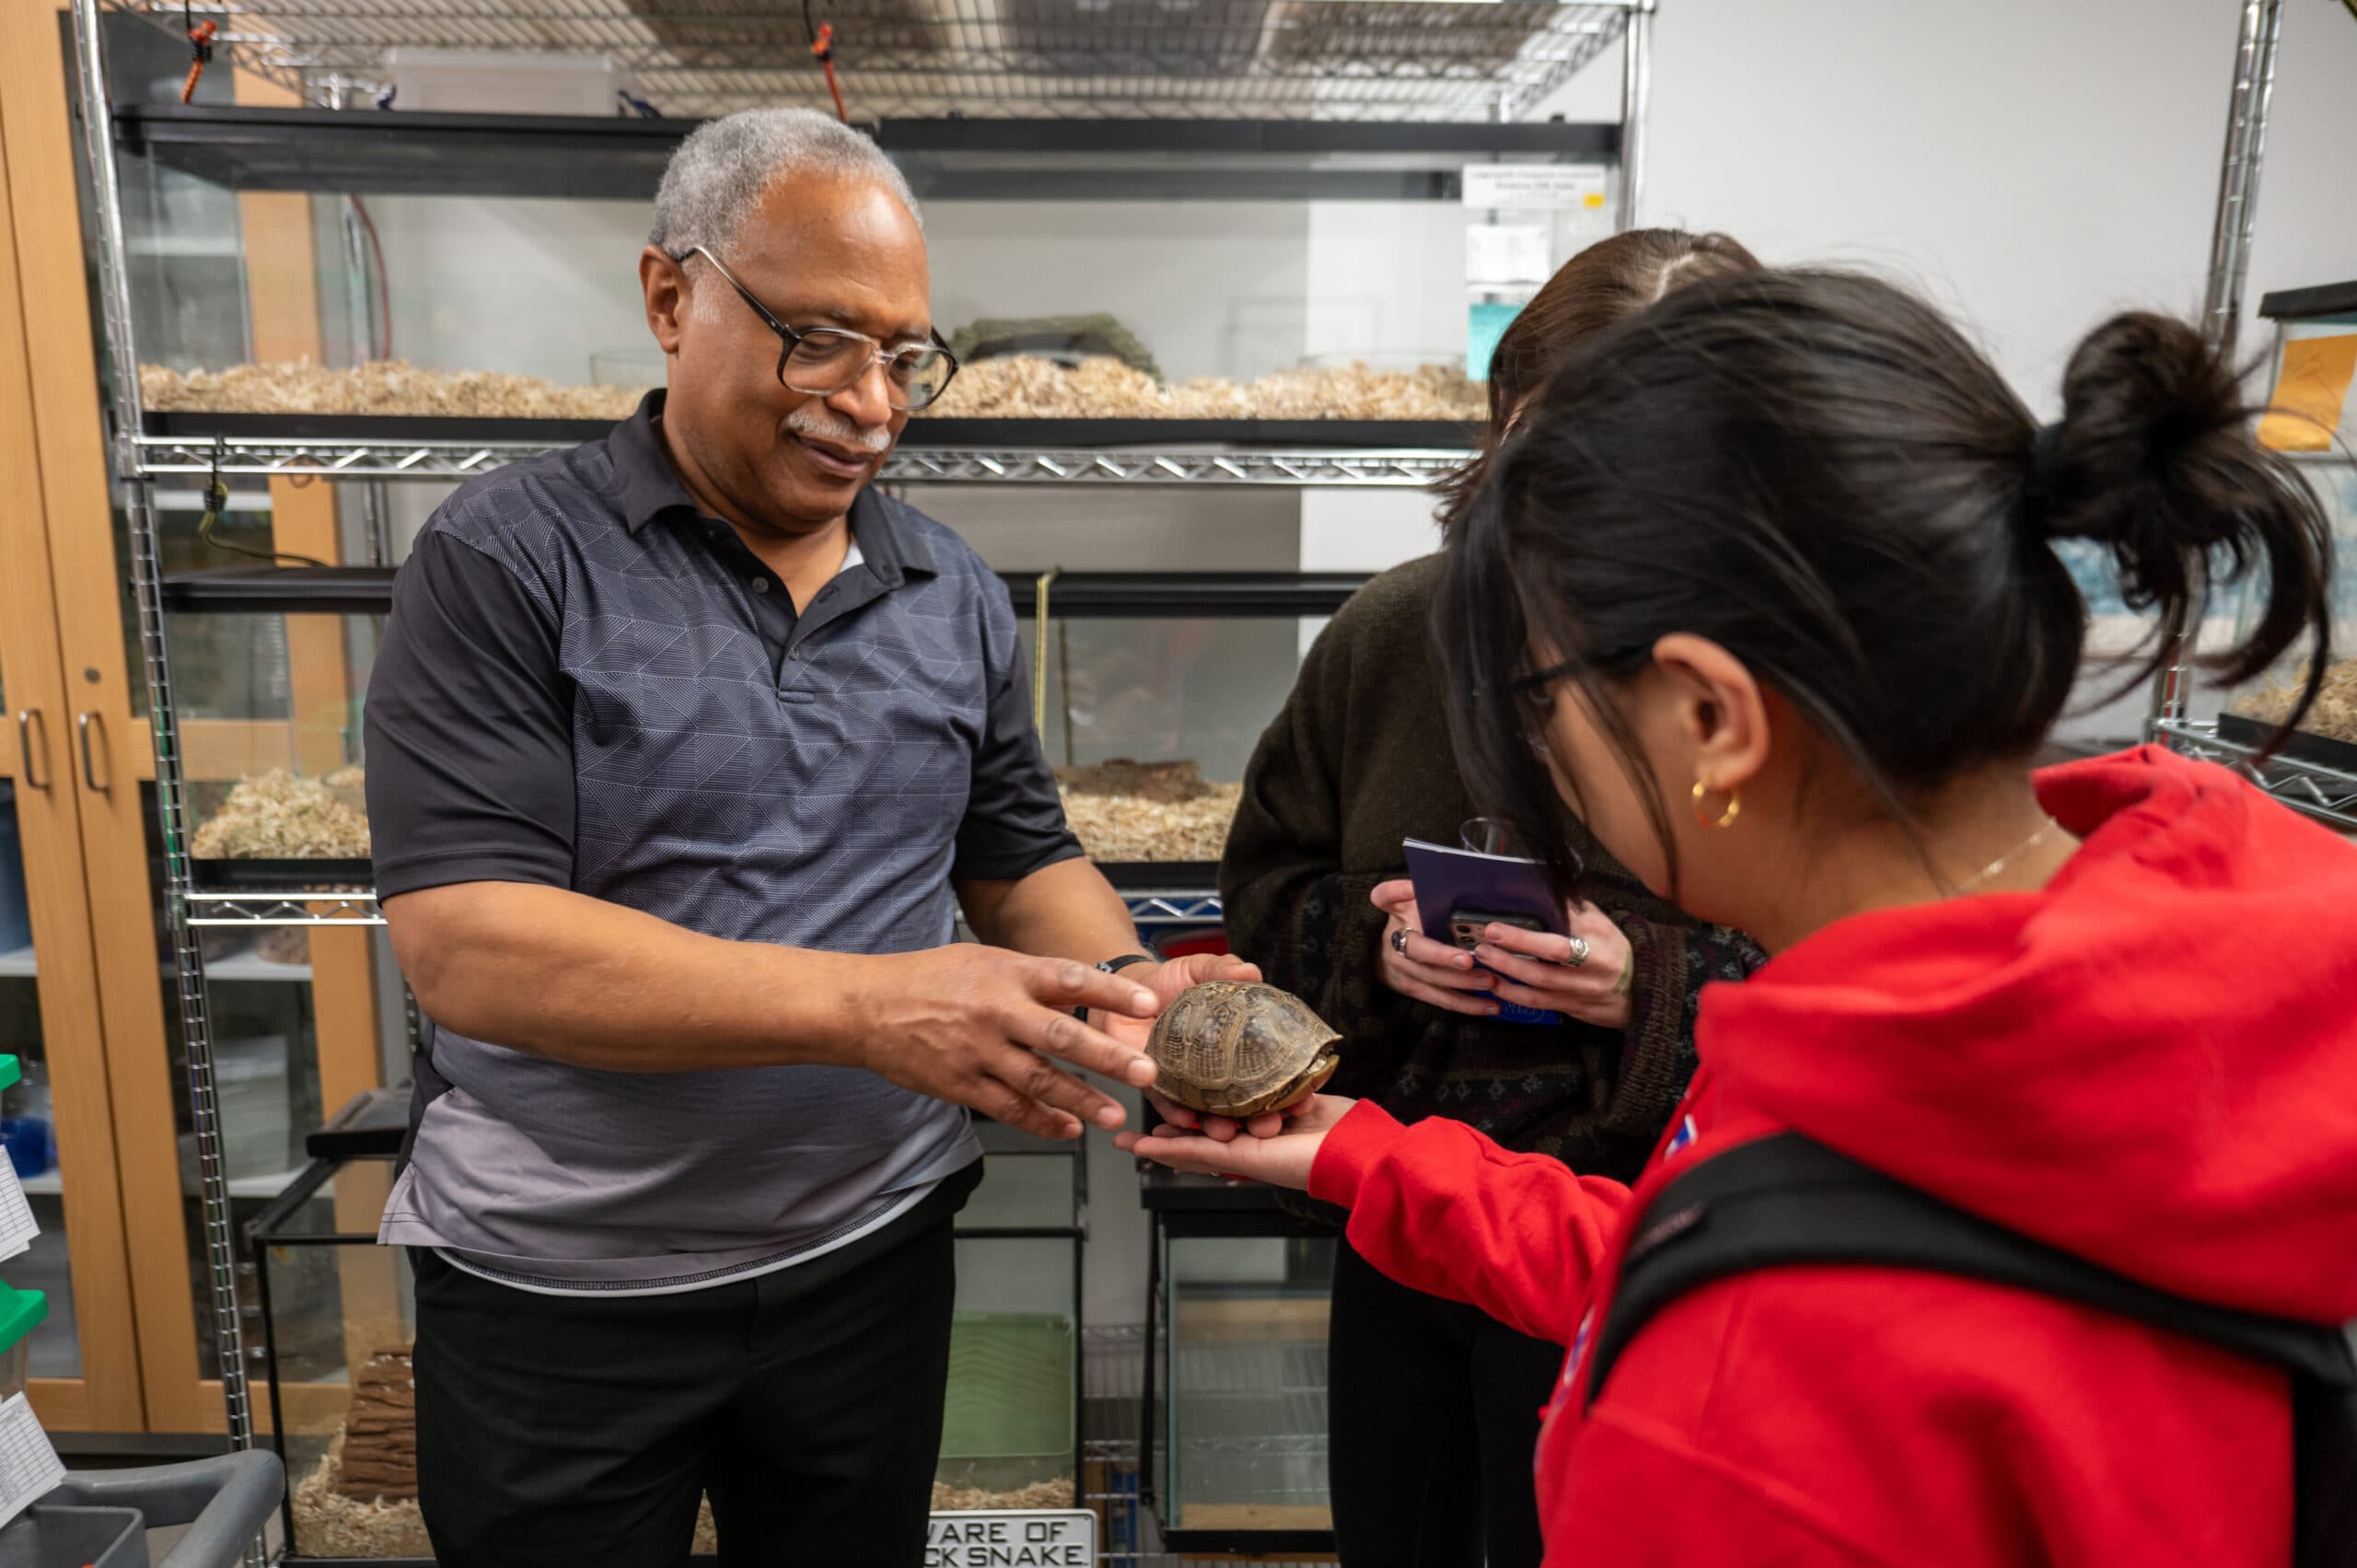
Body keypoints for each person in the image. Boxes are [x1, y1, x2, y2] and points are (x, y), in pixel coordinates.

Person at [1126, 267, 2357, 1565]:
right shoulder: (2162, 987)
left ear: (1709, 720)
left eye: (1540, 701)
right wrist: (1363, 1153)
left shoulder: (1725, 1413)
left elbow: (1753, 1305)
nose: (1534, 756)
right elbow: (1718, 1252)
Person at [364, 108, 1250, 1568]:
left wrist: (1138, 997)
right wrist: (872, 1006)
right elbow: (472, 946)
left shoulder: (945, 584)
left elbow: (1019, 859)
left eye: (906, 354)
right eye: (820, 338)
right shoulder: (507, 562)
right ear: (669, 296)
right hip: (567, 1289)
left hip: (867, 1262)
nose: (873, 401)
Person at [1216, 229, 1764, 1568]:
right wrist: (1375, 947)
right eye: (1547, 452)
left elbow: (1846, 972)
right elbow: (1265, 882)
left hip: (1646, 1232)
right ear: (1502, 419)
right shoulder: (1395, 632)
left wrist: (1645, 981)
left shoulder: (1767, 673)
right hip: (1398, 1210)